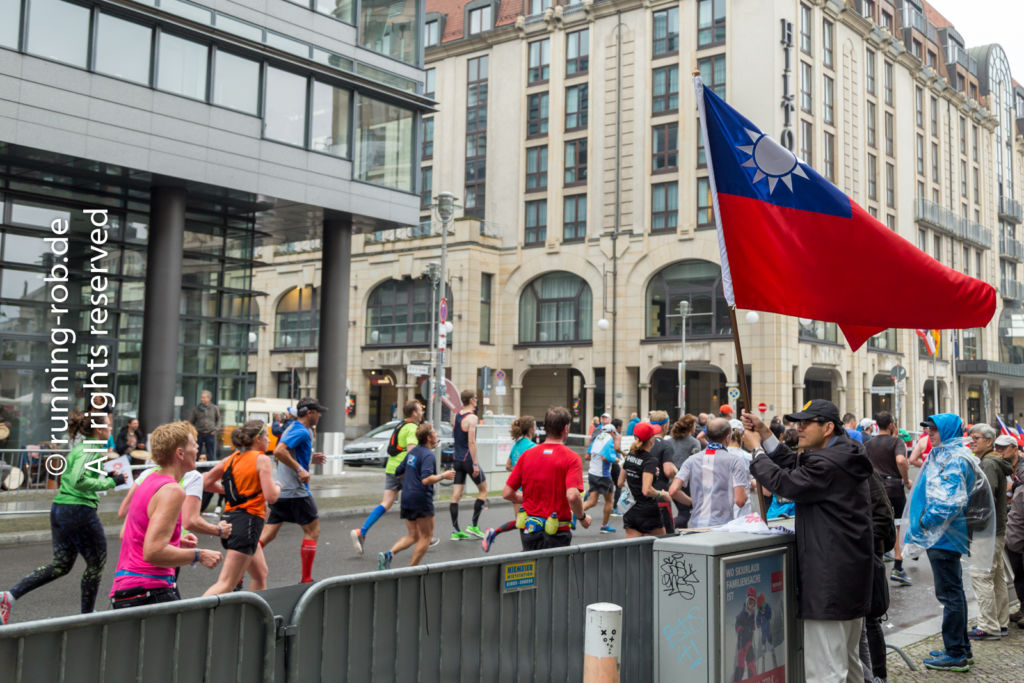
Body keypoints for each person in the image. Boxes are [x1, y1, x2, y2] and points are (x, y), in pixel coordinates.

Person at [742, 400, 873, 683]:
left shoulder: (827, 462)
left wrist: (755, 450)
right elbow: (793, 462)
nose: (798, 428)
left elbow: (785, 483)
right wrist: (765, 433)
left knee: (826, 671)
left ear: (827, 428)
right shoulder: (843, 452)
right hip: (849, 575)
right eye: (797, 423)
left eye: (805, 423)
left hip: (829, 579)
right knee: (849, 666)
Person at [0, 411, 126, 624]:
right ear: (99, 429)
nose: (111, 429)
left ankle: (8, 597)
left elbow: (76, 476)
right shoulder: (93, 449)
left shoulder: (82, 447)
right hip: (78, 510)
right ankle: (87, 616)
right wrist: (112, 483)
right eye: (109, 425)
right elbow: (79, 480)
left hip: (61, 508)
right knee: (96, 563)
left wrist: (106, 477)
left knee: (61, 565)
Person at [903, 414, 990, 672]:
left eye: (934, 428)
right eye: (928, 428)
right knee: (954, 594)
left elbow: (949, 502)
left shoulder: (953, 458)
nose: (929, 432)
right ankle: (960, 647)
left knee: (950, 595)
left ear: (947, 430)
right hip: (943, 537)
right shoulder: (948, 454)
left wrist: (925, 522)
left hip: (943, 537)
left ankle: (955, 653)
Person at [107, 421, 222, 609]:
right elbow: (153, 551)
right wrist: (198, 555)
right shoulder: (173, 491)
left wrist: (176, 542)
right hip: (149, 590)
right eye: (194, 444)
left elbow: (127, 534)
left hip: (126, 589)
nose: (198, 448)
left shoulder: (147, 481)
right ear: (180, 453)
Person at [202, 421, 281, 595]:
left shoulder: (230, 459)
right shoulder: (262, 459)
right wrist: (279, 486)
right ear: (258, 439)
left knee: (260, 574)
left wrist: (230, 492)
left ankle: (256, 618)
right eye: (266, 436)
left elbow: (206, 483)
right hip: (247, 524)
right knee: (226, 583)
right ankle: (194, 618)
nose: (269, 439)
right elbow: (271, 496)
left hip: (230, 521)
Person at [259, 397, 327, 584]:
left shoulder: (291, 427)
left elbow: (288, 453)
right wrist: (300, 469)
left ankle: (238, 569)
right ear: (310, 413)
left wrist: (309, 459)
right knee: (313, 531)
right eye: (318, 412)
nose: (320, 415)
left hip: (281, 490)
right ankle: (306, 580)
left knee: (268, 535)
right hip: (296, 492)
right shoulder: (301, 431)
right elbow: (280, 452)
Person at [503, 406, 590, 550]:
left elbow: (507, 493)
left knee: (532, 570)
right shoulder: (572, 458)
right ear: (566, 429)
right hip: (556, 530)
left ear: (545, 429)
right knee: (556, 571)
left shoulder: (527, 455)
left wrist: (529, 498)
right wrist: (582, 517)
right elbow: (573, 496)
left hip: (530, 528)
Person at [378, 424, 456, 569]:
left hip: (407, 496)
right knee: (426, 536)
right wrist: (443, 475)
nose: (436, 436)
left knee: (413, 536)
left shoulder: (413, 452)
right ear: (428, 438)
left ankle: (388, 554)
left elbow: (398, 471)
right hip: (421, 498)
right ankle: (411, 569)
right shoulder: (428, 455)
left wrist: (411, 479)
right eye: (434, 433)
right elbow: (426, 479)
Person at [351, 400, 423, 555]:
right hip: (404, 470)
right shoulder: (412, 428)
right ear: (414, 413)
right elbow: (412, 452)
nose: (422, 412)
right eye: (420, 409)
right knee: (418, 500)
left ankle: (361, 532)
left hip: (391, 467)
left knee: (385, 503)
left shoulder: (400, 425)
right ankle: (423, 536)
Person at [965, 423, 1012, 640]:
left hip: (987, 529)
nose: (971, 441)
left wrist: (972, 521)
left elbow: (986, 497)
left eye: (976, 438)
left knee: (981, 575)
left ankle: (988, 626)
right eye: (970, 437)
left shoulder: (989, 464)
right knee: (996, 576)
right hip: (996, 528)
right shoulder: (991, 461)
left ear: (989, 441)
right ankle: (1000, 622)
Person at [669, 418, 749, 528]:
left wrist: (692, 502)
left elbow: (673, 490)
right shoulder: (735, 461)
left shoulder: (691, 460)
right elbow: (740, 501)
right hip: (722, 527)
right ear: (727, 437)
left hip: (697, 526)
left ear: (708, 436)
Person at [863, 411, 913, 586]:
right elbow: (901, 460)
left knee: (876, 524)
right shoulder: (896, 442)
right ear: (891, 425)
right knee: (897, 526)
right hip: (893, 489)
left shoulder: (869, 443)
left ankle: (876, 564)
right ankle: (898, 567)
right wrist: (906, 480)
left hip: (874, 490)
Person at [482, 416, 536, 552]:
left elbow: (508, 466)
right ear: (530, 429)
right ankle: (528, 551)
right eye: (535, 426)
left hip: (515, 489)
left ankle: (494, 532)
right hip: (529, 491)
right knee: (532, 522)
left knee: (520, 522)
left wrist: (518, 471)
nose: (535, 429)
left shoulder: (516, 445)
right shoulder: (533, 447)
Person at [618, 422, 671, 537]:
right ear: (651, 440)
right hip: (648, 512)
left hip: (630, 510)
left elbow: (620, 482)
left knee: (633, 552)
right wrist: (662, 494)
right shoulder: (650, 460)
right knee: (658, 549)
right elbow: (646, 490)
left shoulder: (630, 456)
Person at [449, 390, 488, 540]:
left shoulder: (456, 415)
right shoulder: (472, 418)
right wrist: (476, 464)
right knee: (484, 490)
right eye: (476, 398)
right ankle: (473, 525)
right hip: (468, 460)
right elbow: (471, 442)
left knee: (456, 496)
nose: (477, 400)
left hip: (457, 459)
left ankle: (455, 530)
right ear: (471, 400)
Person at [582, 421, 620, 533]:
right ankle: (604, 526)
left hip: (592, 473)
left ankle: (575, 514)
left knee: (592, 501)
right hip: (603, 475)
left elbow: (587, 456)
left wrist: (596, 458)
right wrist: (616, 460)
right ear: (612, 432)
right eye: (615, 433)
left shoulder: (597, 439)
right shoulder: (609, 440)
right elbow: (605, 457)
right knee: (609, 501)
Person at [665, 415, 701, 528]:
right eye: (695, 424)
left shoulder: (669, 441)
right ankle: (666, 527)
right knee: (685, 514)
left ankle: (680, 539)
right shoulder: (694, 442)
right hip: (685, 482)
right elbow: (697, 465)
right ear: (691, 427)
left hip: (669, 480)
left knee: (682, 511)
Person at [647, 410, 678, 533]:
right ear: (665, 426)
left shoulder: (642, 443)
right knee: (667, 536)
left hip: (641, 499)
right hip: (660, 496)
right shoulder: (666, 445)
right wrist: (676, 471)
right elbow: (668, 472)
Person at [188, 390, 221, 461]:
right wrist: (194, 432)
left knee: (211, 454)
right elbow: (190, 422)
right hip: (199, 434)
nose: (202, 399)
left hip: (210, 434)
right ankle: (195, 470)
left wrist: (215, 430)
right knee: (196, 453)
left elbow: (218, 420)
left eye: (204, 397)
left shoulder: (214, 408)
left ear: (209, 398)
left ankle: (210, 469)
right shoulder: (196, 409)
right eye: (201, 397)